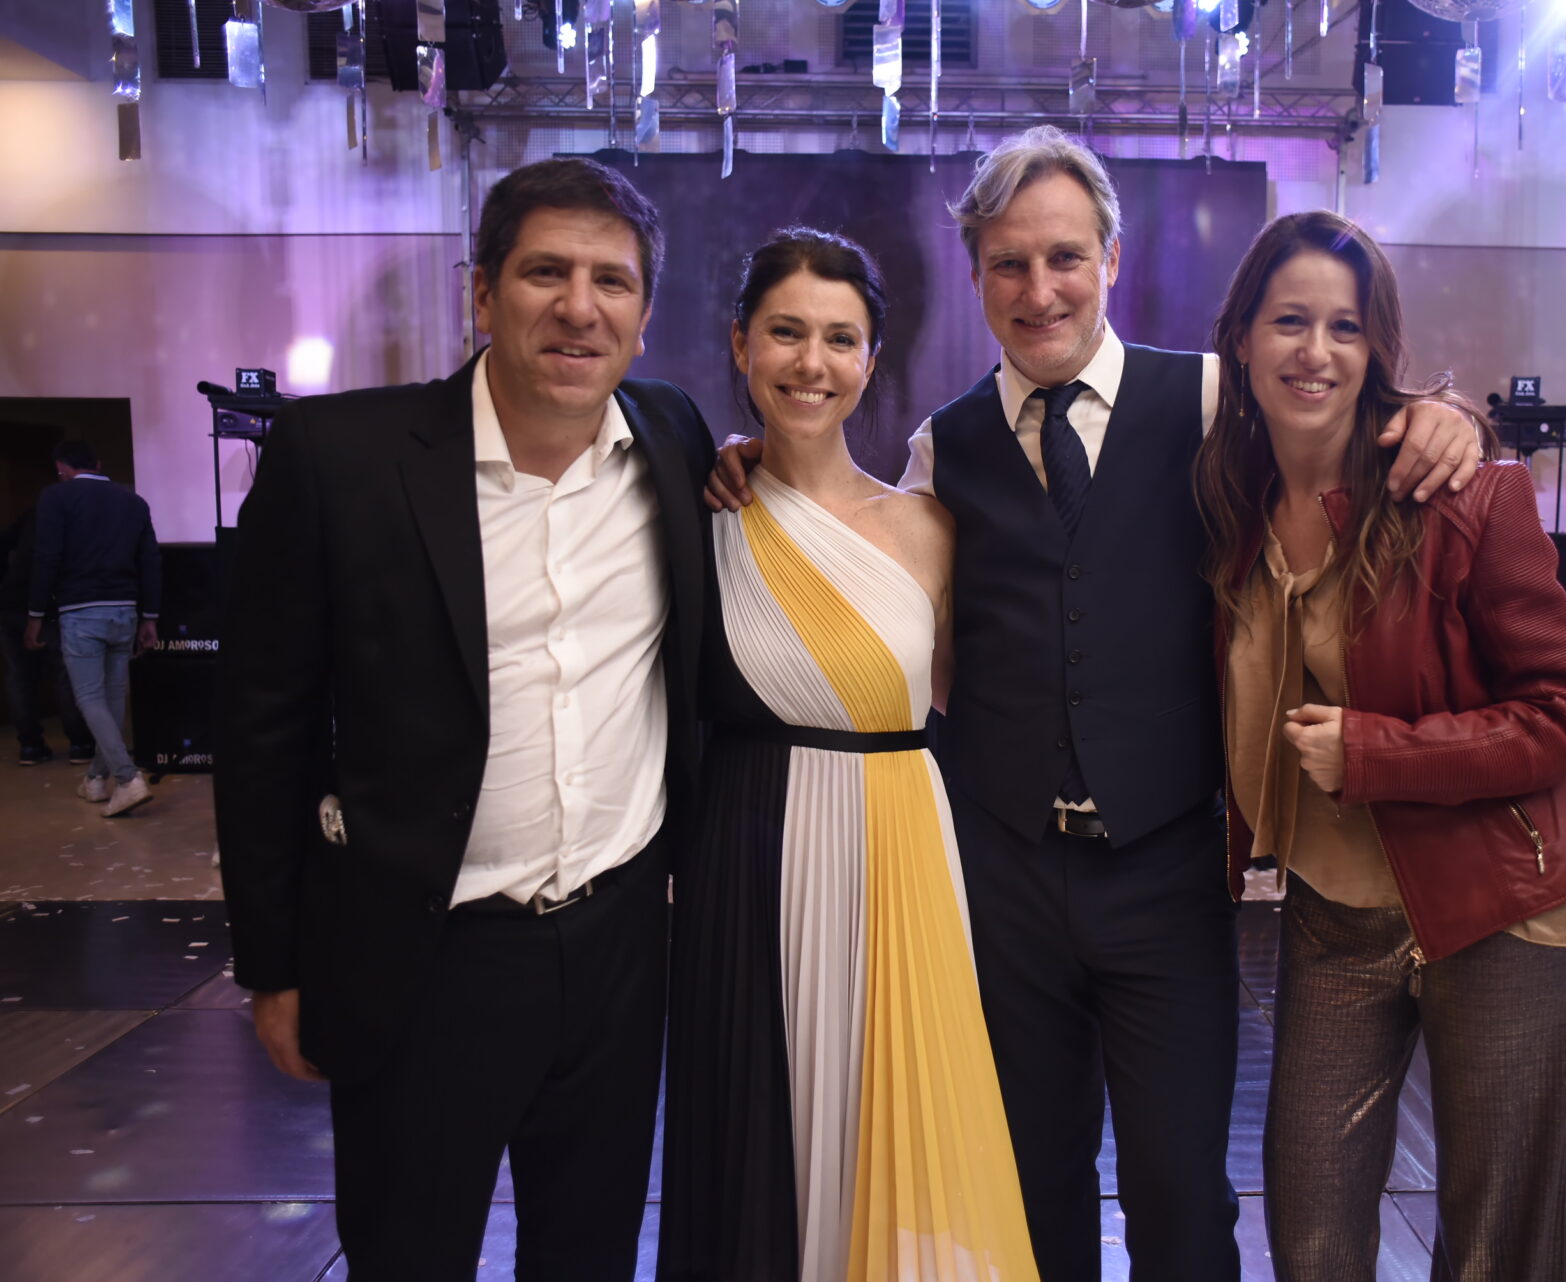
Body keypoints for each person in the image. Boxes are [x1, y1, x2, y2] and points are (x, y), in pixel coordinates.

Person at [706, 126, 1483, 1282]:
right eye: (1009, 264)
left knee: (1181, 1191)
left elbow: (1352, 438)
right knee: (1027, 1184)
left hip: (1167, 871)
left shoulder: (1215, 398)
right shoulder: (941, 448)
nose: (1040, 290)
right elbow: (869, 565)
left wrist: (1447, 415)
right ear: (976, 274)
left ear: (1112, 260)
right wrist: (747, 463)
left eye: (1065, 257)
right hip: (1001, 878)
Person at [216, 158, 713, 1282]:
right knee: (408, 1255)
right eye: (545, 273)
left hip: (619, 946)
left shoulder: (675, 439)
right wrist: (273, 966)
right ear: (480, 292)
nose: (579, 307)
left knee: (589, 1253)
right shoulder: (340, 459)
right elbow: (261, 730)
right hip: (422, 957)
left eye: (611, 281)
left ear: (644, 314)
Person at [1199, 210, 1566, 1280]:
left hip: (1497, 907)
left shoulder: (1465, 496)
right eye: (1289, 320)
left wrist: (1378, 754)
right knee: (1310, 1226)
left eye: (1345, 327)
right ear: (1243, 338)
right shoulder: (1226, 506)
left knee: (1500, 1246)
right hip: (1331, 916)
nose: (1315, 351)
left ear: (1376, 349)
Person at [662, 227, 1039, 1281]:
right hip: (750, 857)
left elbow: (971, 698)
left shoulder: (930, 527)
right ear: (741, 344)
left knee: (911, 1119)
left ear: (872, 360)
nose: (811, 362)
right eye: (786, 332)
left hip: (905, 852)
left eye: (839, 338)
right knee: (757, 1133)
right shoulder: (701, 512)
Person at [25, 441, 159, 815]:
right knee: (113, 697)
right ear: (98, 464)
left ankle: (127, 779)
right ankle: (96, 779)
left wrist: (35, 614)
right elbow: (150, 561)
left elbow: (47, 556)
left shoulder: (56, 497)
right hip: (125, 610)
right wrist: (150, 616)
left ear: (61, 468)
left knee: (88, 696)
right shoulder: (134, 502)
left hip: (80, 610)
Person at [0, 502, 94, 766]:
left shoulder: (33, 514)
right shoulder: (72, 518)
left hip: (10, 606)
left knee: (20, 678)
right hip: (47, 607)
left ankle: (30, 746)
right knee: (66, 675)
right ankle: (80, 744)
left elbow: (3, 543)